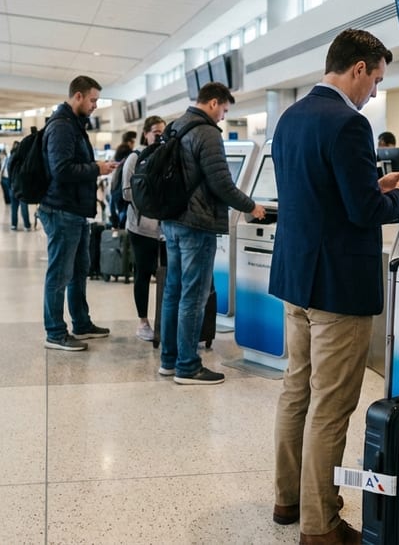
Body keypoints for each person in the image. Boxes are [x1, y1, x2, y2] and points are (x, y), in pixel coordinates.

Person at [269, 29, 399, 544]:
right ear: (358, 68)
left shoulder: (291, 117)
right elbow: (362, 213)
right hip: (337, 287)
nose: (374, 92)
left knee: (296, 392)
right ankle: (321, 525)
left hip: (297, 279)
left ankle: (288, 500)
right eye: (375, 80)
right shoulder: (350, 123)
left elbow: (321, 194)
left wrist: (375, 186)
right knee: (331, 407)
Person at [160, 82, 266, 384]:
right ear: (213, 103)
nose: (223, 116)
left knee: (173, 292)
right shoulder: (206, 132)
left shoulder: (175, 127)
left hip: (172, 220)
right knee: (194, 296)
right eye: (224, 110)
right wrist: (252, 206)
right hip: (196, 224)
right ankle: (187, 366)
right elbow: (221, 183)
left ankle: (169, 360)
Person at [39, 76, 118, 351]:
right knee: (60, 273)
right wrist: (97, 168)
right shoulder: (62, 127)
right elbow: (61, 170)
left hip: (75, 210)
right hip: (61, 209)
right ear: (78, 96)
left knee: (78, 270)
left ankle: (81, 323)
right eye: (93, 100)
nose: (95, 105)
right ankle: (54, 332)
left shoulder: (74, 125)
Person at [121, 115, 167, 341]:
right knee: (143, 273)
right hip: (141, 227)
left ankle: (164, 320)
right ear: (146, 133)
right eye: (156, 132)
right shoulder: (134, 158)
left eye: (163, 133)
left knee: (166, 274)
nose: (160, 136)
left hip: (165, 229)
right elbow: (126, 192)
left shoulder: (167, 156)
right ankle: (143, 322)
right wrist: (151, 200)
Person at [8, 127, 38, 231]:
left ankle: (14, 225)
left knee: (14, 207)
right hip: (22, 186)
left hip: (13, 185)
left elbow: (9, 172)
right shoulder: (25, 160)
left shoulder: (11, 160)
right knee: (23, 206)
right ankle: (26, 225)